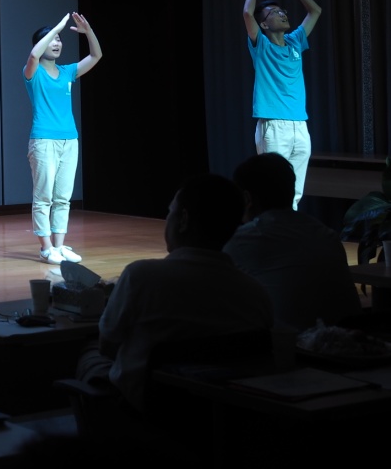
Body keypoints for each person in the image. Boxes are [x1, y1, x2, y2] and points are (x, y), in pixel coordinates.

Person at [83, 174, 273, 409]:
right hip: (217, 414)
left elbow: (108, 346)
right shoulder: (256, 293)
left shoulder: (140, 276)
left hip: (146, 410)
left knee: (91, 352)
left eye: (170, 212)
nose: (167, 219)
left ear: (183, 219)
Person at [225, 152, 359, 329]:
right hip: (349, 338)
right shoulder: (327, 235)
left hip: (294, 343)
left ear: (247, 199)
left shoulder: (245, 240)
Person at [24, 12, 102, 265]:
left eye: (59, 39)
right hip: (43, 140)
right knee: (43, 197)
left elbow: (96, 56)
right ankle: (46, 248)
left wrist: (88, 32)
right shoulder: (33, 72)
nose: (57, 43)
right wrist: (57, 26)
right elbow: (33, 55)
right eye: (52, 39)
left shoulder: (67, 72)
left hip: (70, 140)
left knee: (62, 198)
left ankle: (59, 246)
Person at [242, 0, 322, 209]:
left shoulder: (295, 41)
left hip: (300, 124)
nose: (282, 14)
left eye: (282, 11)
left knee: (295, 193)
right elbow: (247, 13)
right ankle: (267, 228)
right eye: (274, 13)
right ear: (264, 24)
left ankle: (287, 229)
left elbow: (315, 11)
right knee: (271, 188)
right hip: (274, 125)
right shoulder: (261, 45)